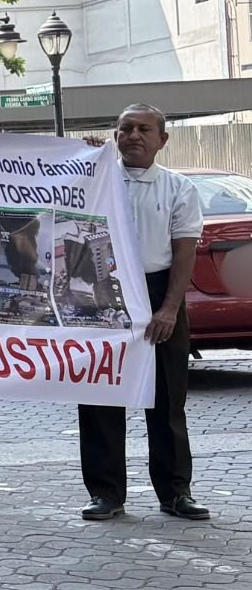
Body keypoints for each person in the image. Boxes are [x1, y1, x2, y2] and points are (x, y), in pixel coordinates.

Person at [79, 104, 209, 521]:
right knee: (99, 394)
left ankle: (175, 493)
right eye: (125, 129)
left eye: (143, 129)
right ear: (115, 135)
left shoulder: (178, 188)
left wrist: (170, 308)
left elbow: (184, 252)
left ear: (162, 139)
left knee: (168, 397)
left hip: (157, 292)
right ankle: (106, 493)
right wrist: (83, 160)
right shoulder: (96, 178)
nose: (133, 135)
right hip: (103, 291)